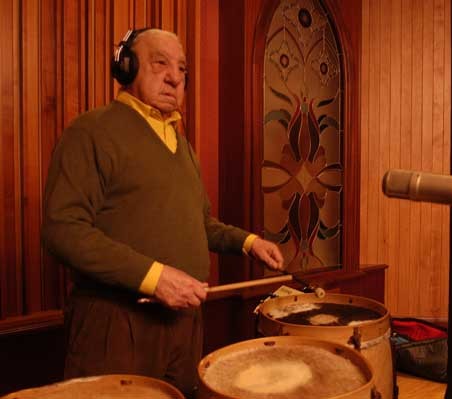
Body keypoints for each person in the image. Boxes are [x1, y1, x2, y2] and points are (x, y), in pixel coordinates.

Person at [41, 28, 284, 398]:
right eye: (160, 63)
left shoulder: (182, 145)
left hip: (185, 323)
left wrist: (248, 242)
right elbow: (63, 229)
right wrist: (154, 278)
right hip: (118, 324)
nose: (175, 76)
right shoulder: (90, 131)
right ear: (126, 67)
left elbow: (201, 223)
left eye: (182, 68)